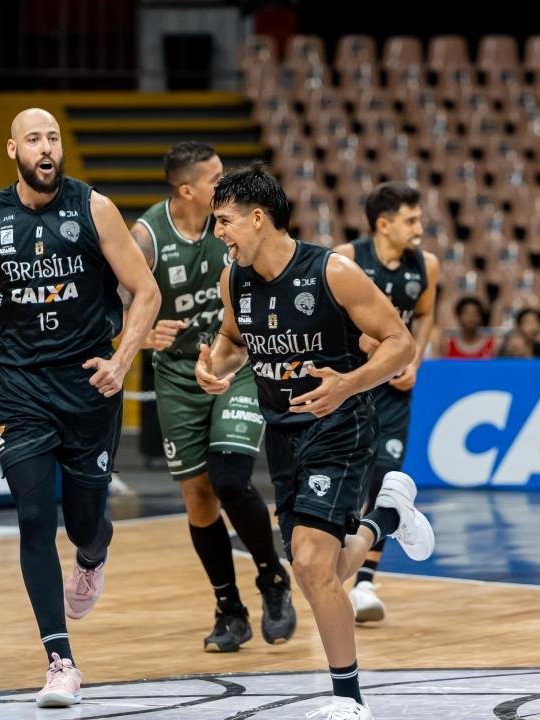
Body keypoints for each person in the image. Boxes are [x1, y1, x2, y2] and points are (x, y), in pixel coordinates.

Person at [0, 108, 160, 708]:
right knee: (31, 515)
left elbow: (145, 290)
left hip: (88, 385)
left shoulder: (94, 208)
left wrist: (123, 358)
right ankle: (60, 660)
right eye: (34, 139)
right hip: (20, 388)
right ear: (12, 150)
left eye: (52, 138)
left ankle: (93, 556)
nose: (46, 148)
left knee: (82, 524)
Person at [196, 163, 434, 720]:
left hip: (341, 427)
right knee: (317, 570)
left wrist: (347, 384)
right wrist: (219, 366)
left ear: (258, 219)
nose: (219, 233)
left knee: (308, 562)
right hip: (281, 431)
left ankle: (349, 700)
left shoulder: (333, 271)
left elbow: (398, 343)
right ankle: (387, 520)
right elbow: (234, 339)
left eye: (225, 221)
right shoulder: (234, 278)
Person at [132, 141, 295, 652]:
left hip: (235, 359)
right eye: (214, 178)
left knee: (229, 476)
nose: (224, 185)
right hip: (178, 373)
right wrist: (136, 331)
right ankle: (229, 609)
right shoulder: (146, 236)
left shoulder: (236, 225)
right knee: (199, 497)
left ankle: (272, 579)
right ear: (186, 190)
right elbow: (109, 300)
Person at [331, 181, 438, 624]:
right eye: (411, 220)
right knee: (348, 482)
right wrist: (377, 348)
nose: (419, 227)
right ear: (383, 224)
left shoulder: (426, 265)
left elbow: (426, 314)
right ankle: (334, 570)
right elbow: (331, 318)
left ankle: (364, 584)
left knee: (383, 481)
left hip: (396, 391)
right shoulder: (348, 259)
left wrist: (415, 355)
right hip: (354, 383)